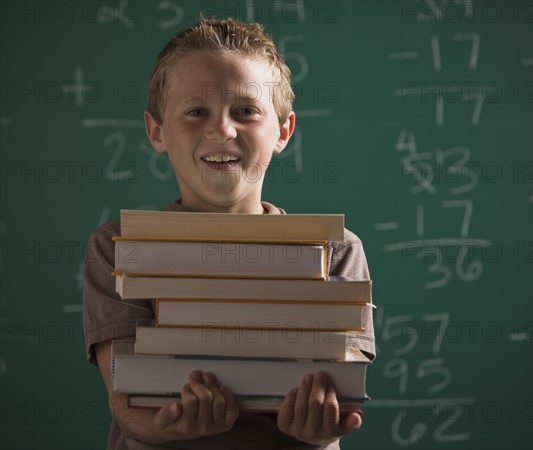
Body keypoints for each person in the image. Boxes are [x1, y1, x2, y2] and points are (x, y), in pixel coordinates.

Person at [83, 17, 375, 450]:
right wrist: (174, 423)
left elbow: (341, 393)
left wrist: (318, 430)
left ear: (283, 131)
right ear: (156, 131)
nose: (222, 129)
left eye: (246, 111)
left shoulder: (335, 250)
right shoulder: (117, 248)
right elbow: (128, 406)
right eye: (196, 112)